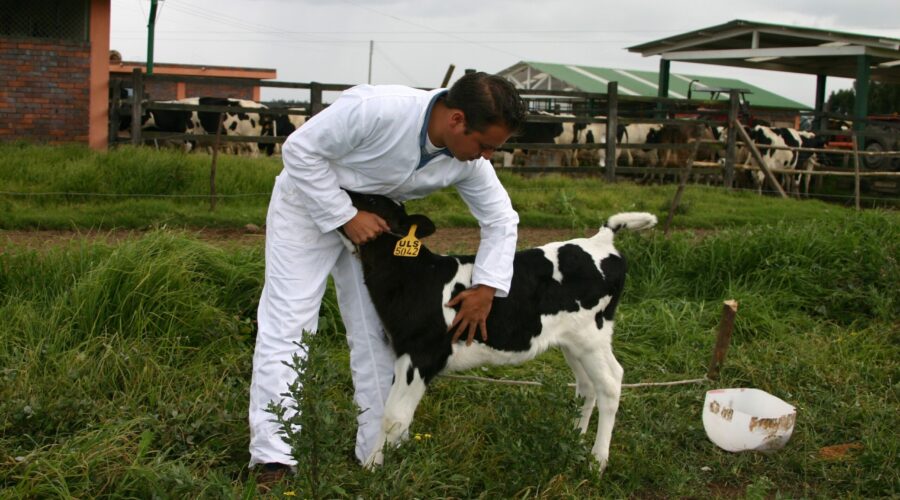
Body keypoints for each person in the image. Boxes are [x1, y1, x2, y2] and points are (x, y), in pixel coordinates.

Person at [248, 72, 527, 485]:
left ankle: (378, 450)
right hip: (309, 205)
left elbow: (501, 219)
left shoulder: (467, 161)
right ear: (456, 121)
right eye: (485, 145)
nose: (487, 156)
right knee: (289, 321)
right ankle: (273, 458)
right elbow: (300, 149)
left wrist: (486, 287)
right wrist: (344, 216)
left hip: (379, 222)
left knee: (378, 333)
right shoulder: (377, 109)